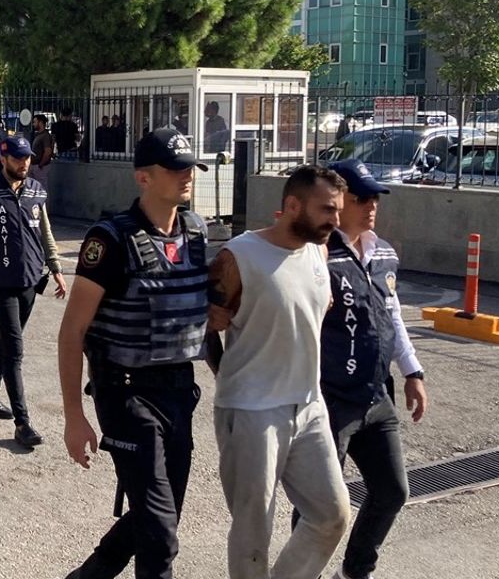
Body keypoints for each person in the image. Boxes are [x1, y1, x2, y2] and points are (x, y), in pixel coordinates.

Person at [56, 130, 211, 579]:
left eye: (189, 167)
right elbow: (72, 332)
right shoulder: (111, 240)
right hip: (125, 395)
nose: (186, 176)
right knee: (161, 535)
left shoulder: (197, 233)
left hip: (180, 392)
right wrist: (73, 415)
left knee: (157, 517)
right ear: (143, 177)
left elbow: (209, 319)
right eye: (174, 168)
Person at [206, 164, 351, 579]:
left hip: (308, 405)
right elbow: (206, 326)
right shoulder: (239, 256)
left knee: (331, 516)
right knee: (254, 532)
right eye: (327, 210)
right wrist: (230, 383)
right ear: (291, 205)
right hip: (252, 411)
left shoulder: (318, 250)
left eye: (338, 211)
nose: (335, 221)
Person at [300, 159, 427, 579]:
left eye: (375, 197)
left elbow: (393, 315)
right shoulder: (317, 253)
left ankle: (355, 571)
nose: (370, 206)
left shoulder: (383, 251)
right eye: (360, 198)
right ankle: (301, 571)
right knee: (318, 504)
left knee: (392, 491)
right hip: (331, 397)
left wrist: (413, 372)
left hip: (376, 396)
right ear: (338, 202)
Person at [0, 135, 66, 449]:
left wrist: (54, 266)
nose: (24, 163)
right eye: (17, 158)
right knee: (15, 348)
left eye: (27, 158)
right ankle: (23, 422)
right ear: (3, 159)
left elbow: (45, 231)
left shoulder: (37, 191)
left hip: (30, 279)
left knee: (7, 338)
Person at [29, 114, 55, 187]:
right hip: (35, 165)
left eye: (34, 122)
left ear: (40, 122)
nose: (33, 124)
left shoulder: (45, 136)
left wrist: (41, 164)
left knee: (41, 188)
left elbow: (48, 152)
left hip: (40, 166)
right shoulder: (38, 135)